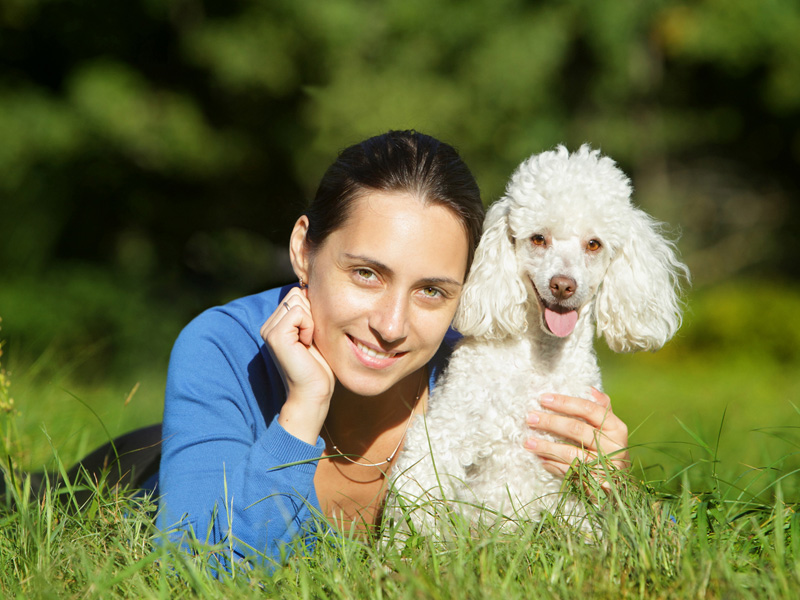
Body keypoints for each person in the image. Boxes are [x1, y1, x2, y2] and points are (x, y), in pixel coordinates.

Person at [152, 130, 630, 567]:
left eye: (431, 291)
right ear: (303, 248)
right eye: (366, 273)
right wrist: (302, 409)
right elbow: (195, 568)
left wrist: (611, 488)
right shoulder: (223, 349)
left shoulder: (479, 368)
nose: (392, 325)